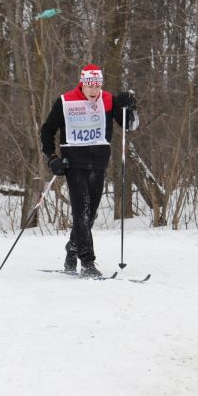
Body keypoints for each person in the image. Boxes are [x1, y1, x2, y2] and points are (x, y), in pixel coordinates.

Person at [40, 64, 138, 278]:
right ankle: (87, 262)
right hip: (74, 164)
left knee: (90, 215)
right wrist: (53, 158)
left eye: (97, 86)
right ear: (82, 84)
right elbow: (47, 130)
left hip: (99, 163)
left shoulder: (109, 100)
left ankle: (72, 248)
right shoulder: (65, 101)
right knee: (81, 213)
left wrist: (129, 107)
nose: (94, 91)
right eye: (90, 86)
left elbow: (129, 126)